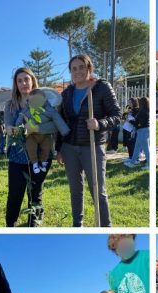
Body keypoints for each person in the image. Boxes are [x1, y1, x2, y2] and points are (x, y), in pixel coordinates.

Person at [55, 54, 122, 227]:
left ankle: (105, 226)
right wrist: (59, 148)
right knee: (75, 190)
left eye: (81, 67)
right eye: (74, 69)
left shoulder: (101, 87)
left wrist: (99, 123)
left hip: (92, 146)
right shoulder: (67, 93)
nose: (77, 72)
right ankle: (77, 225)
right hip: (70, 147)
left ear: (89, 69)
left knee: (98, 189)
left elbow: (117, 115)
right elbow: (60, 121)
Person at [4, 67, 56, 227]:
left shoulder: (43, 102)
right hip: (17, 157)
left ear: (33, 80)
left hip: (40, 156)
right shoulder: (10, 105)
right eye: (19, 80)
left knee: (35, 194)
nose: (23, 83)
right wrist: (12, 129)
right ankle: (10, 226)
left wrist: (35, 129)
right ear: (16, 84)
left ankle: (33, 227)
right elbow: (7, 126)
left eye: (26, 79)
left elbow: (53, 125)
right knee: (15, 195)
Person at [15, 88, 70, 174]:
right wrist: (18, 127)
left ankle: (43, 162)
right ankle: (35, 163)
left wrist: (65, 131)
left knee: (46, 148)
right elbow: (20, 117)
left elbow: (57, 120)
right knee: (31, 148)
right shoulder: (27, 109)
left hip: (45, 135)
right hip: (31, 135)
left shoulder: (49, 109)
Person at [132, 96, 150, 169]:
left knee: (146, 149)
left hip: (143, 130)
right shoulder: (146, 110)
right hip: (142, 130)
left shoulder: (143, 111)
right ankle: (132, 162)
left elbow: (140, 123)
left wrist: (132, 121)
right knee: (137, 147)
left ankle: (149, 164)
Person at [122, 98, 139, 167]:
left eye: (130, 102)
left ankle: (135, 159)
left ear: (134, 103)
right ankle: (130, 157)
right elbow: (123, 116)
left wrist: (129, 119)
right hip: (126, 128)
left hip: (132, 129)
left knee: (132, 144)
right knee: (128, 144)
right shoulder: (128, 109)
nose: (129, 104)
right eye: (128, 102)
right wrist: (125, 116)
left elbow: (136, 119)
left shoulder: (137, 110)